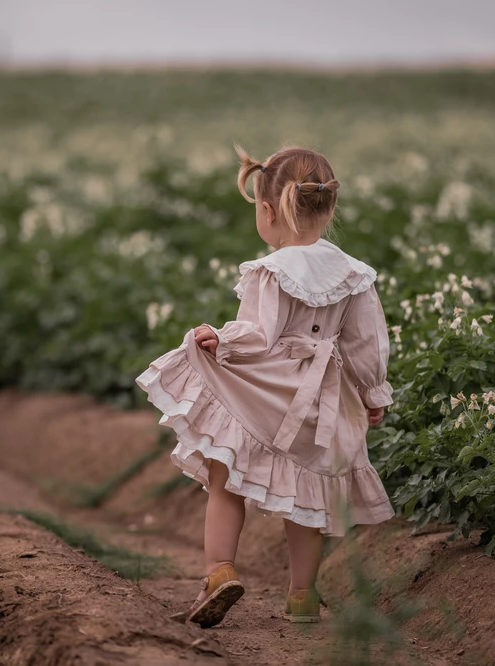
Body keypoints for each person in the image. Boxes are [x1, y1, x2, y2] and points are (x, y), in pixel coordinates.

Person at [136, 145, 394, 628]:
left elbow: (257, 336)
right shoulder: (355, 275)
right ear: (329, 207)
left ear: (269, 210)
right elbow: (367, 345)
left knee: (226, 474)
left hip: (267, 392)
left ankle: (219, 571)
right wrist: (372, 393)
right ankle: (302, 596)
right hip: (320, 402)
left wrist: (221, 340)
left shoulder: (269, 271)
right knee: (308, 497)